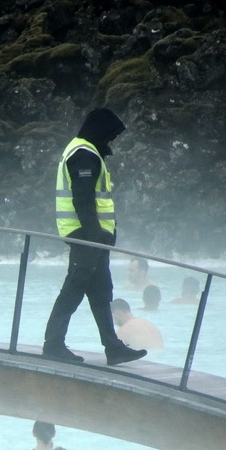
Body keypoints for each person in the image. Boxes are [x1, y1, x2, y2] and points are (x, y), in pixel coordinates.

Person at [41, 108, 147, 366]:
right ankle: (53, 345)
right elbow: (83, 200)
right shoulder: (84, 155)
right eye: (111, 137)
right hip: (85, 236)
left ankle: (113, 348)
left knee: (101, 291)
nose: (113, 143)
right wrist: (94, 236)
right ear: (100, 132)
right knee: (73, 290)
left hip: (92, 238)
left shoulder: (85, 152)